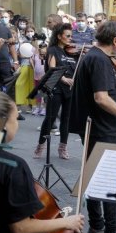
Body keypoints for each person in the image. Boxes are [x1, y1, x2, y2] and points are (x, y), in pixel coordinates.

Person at [0, 92, 101, 233]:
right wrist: (67, 223)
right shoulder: (13, 166)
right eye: (15, 119)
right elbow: (21, 228)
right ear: (3, 124)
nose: (18, 124)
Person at [69, 21, 116, 233]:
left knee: (95, 175)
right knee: (109, 178)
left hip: (95, 125)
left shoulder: (94, 56)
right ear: (115, 40)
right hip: (101, 127)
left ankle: (97, 226)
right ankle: (110, 230)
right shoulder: (100, 60)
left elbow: (106, 94)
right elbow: (101, 99)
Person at [34, 22, 77, 160]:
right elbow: (52, 69)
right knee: (50, 118)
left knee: (66, 119)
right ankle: (40, 145)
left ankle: (62, 147)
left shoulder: (73, 51)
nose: (71, 38)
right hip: (57, 87)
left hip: (71, 89)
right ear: (59, 36)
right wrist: (63, 79)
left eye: (71, 36)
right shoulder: (53, 50)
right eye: (68, 36)